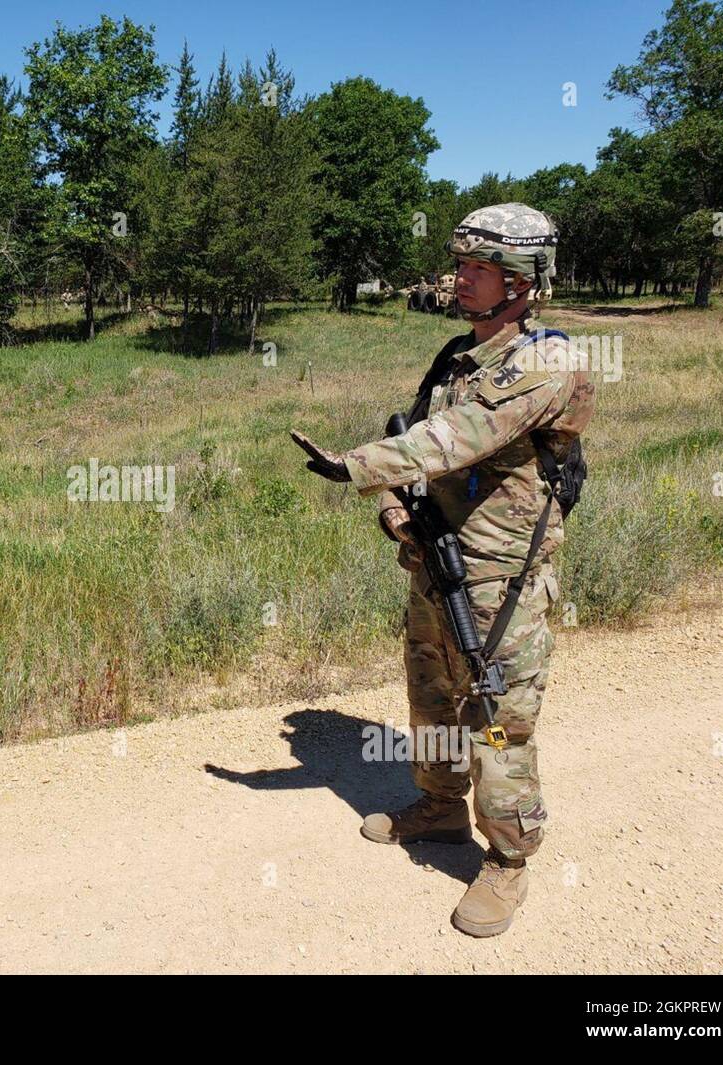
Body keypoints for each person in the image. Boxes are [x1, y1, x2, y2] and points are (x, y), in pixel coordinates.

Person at [292, 203, 595, 937]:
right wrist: (395, 509)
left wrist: (354, 465)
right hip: (437, 564)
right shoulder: (458, 356)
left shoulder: (549, 364)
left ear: (522, 283)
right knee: (430, 698)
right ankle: (438, 807)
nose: (461, 278)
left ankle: (509, 860)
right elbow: (418, 435)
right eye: (462, 264)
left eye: (479, 268)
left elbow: (456, 437)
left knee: (496, 721)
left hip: (503, 582)